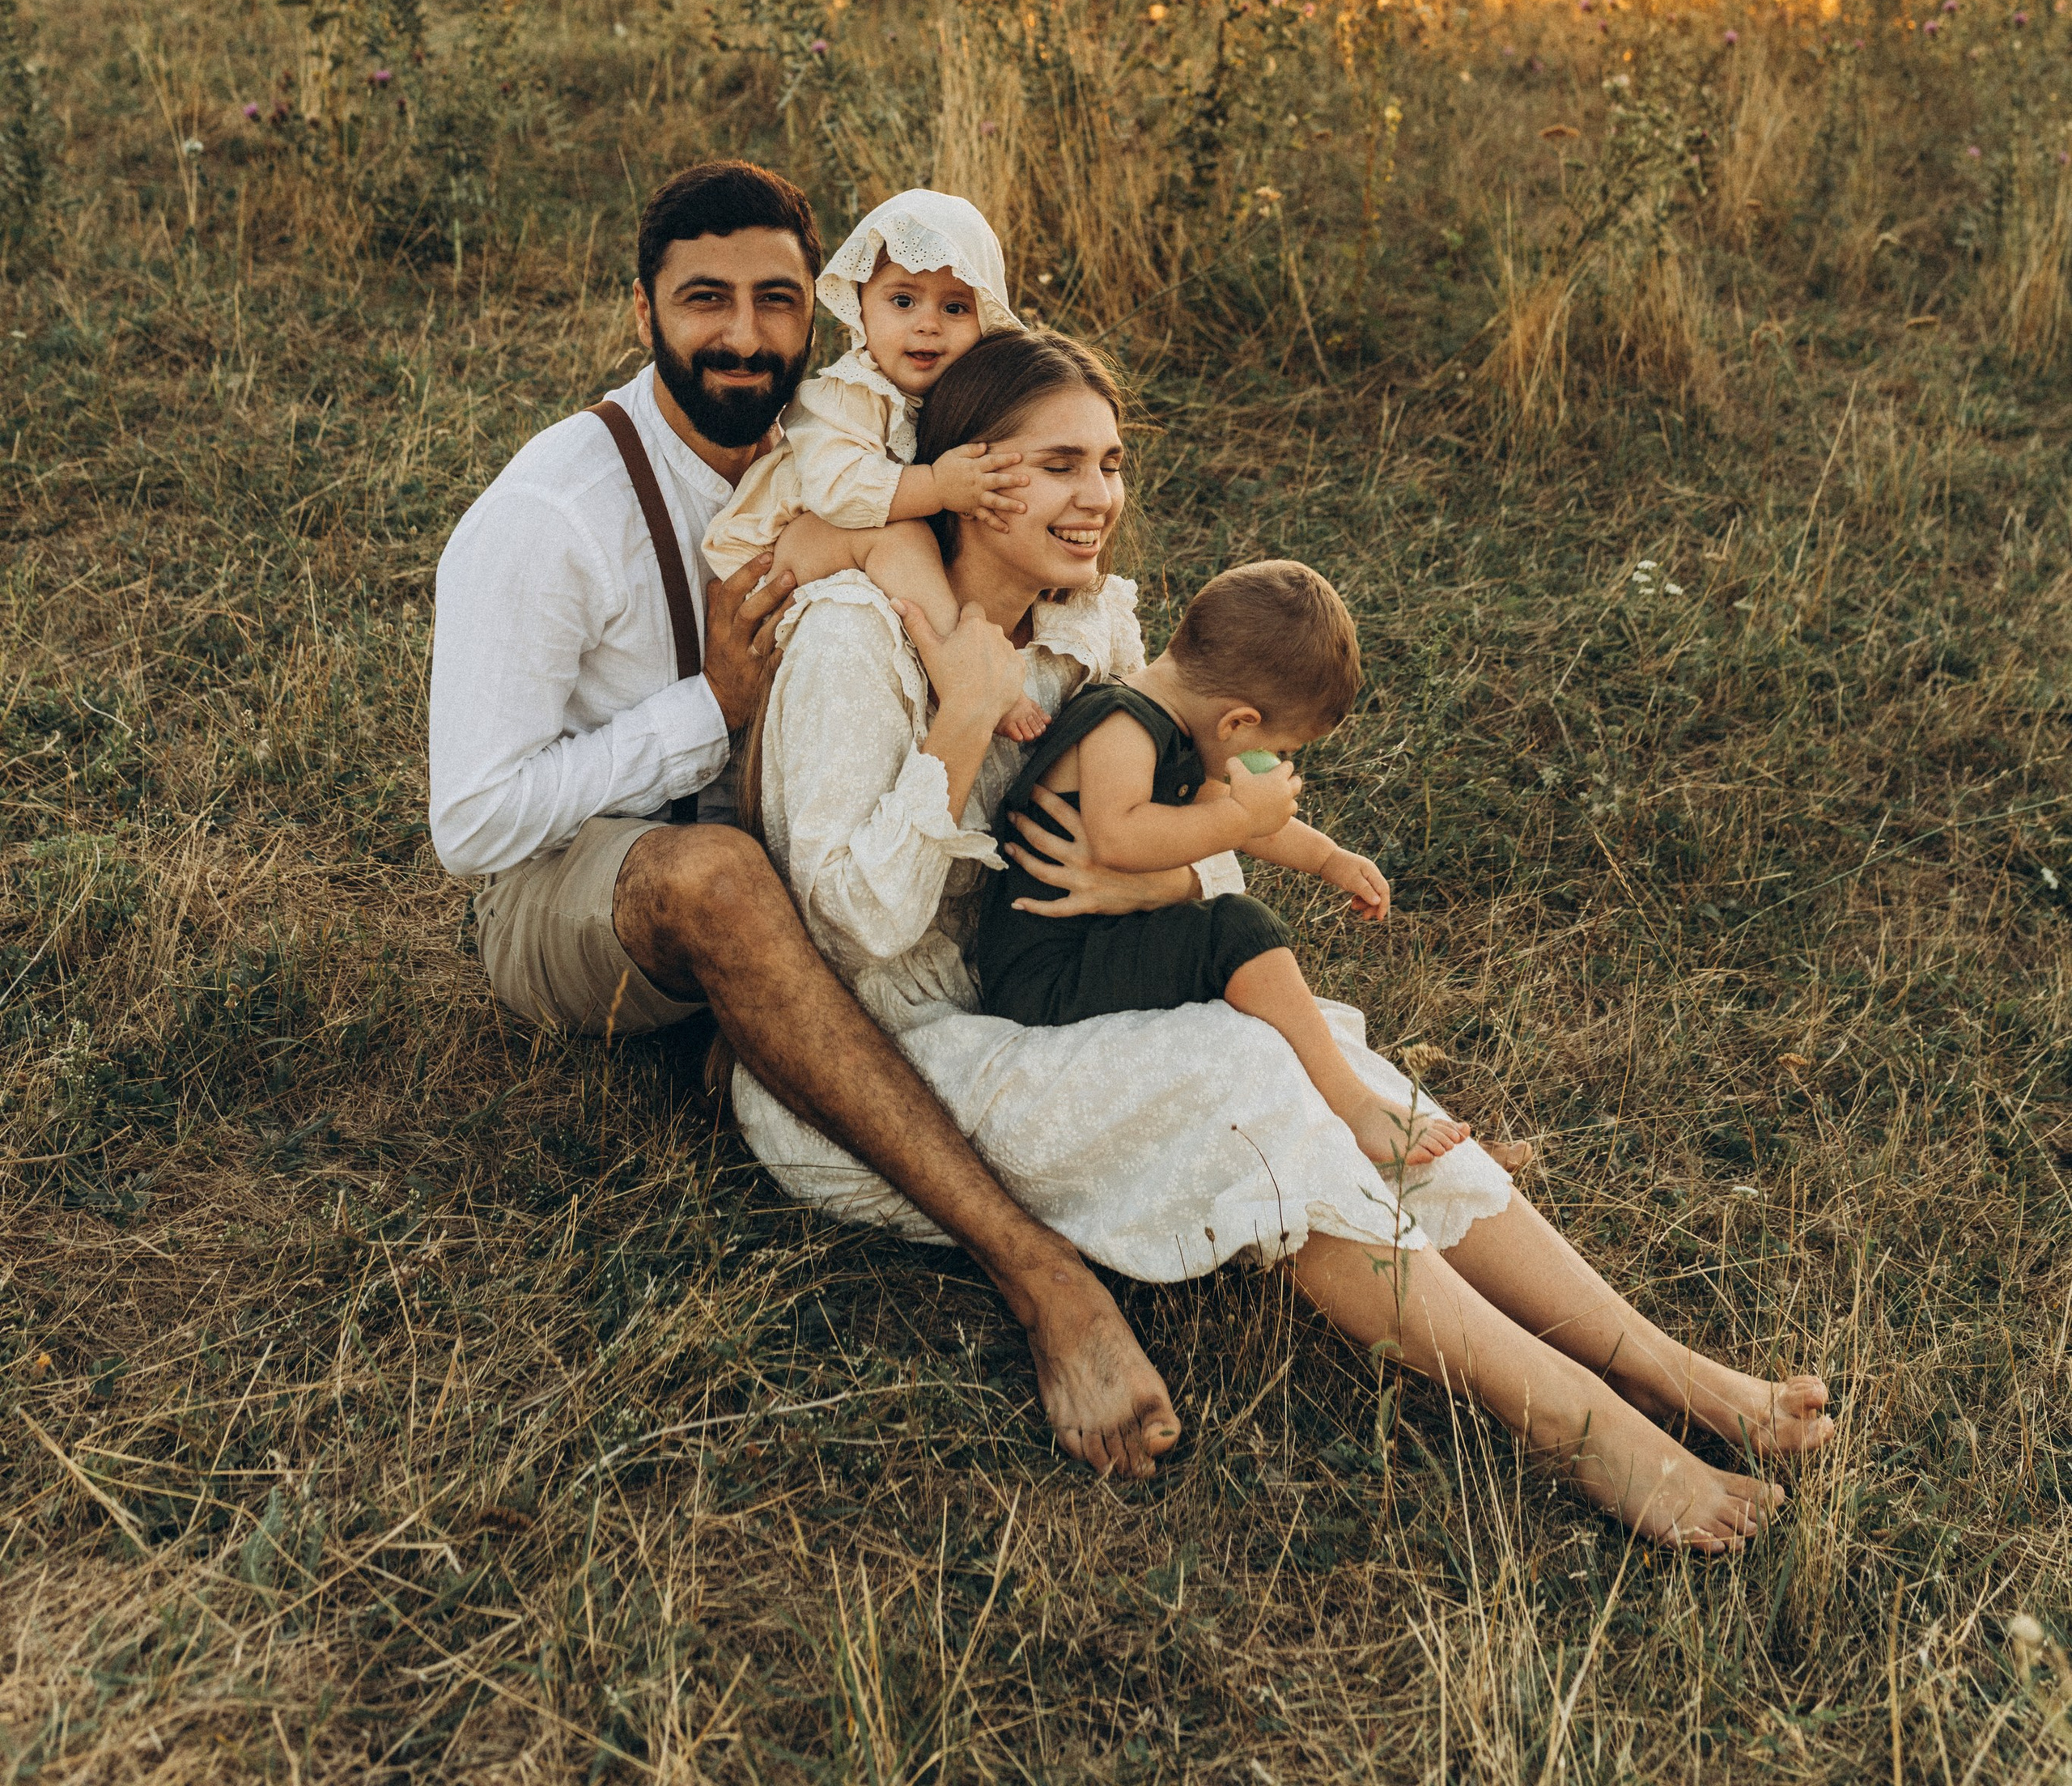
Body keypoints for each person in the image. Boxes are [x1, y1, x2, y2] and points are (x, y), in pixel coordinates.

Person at [732, 326, 1836, 1549]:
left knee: (1339, 1070)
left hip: (1065, 989)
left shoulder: (1085, 625)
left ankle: (1674, 1372)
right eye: (1057, 466)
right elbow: (844, 926)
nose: (1097, 497)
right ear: (969, 473)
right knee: (1261, 1078)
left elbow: (1189, 856)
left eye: (1109, 462)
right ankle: (1591, 1432)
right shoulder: (853, 640)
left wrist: (1128, 893)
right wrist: (966, 723)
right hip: (896, 1053)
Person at [427, 157, 1199, 1478]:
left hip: (819, 859)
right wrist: (708, 709)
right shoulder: (553, 514)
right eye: (704, 300)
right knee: (721, 882)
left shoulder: (866, 437)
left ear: (820, 310)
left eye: (774, 299)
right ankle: (1042, 1282)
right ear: (643, 311)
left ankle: (1335, 1124)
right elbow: (473, 826)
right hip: (591, 888)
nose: (743, 335)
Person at [971, 559, 1484, 1177]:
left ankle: (1362, 1103)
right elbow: (1117, 837)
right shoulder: (1121, 724)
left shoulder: (1178, 730)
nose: (1275, 763)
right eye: (1280, 750)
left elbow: (1223, 810)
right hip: (1044, 979)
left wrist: (1328, 859)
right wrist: (1240, 818)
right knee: (1239, 929)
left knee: (1240, 954)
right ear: (1239, 722)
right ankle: (1354, 1106)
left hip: (1094, 944)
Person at [702, 187, 1045, 736]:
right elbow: (838, 491)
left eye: (954, 308)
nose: (927, 324)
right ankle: (962, 672)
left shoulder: (954, 398)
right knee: (900, 538)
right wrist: (936, 485)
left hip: (835, 542)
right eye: (903, 301)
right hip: (774, 556)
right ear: (861, 304)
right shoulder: (850, 393)